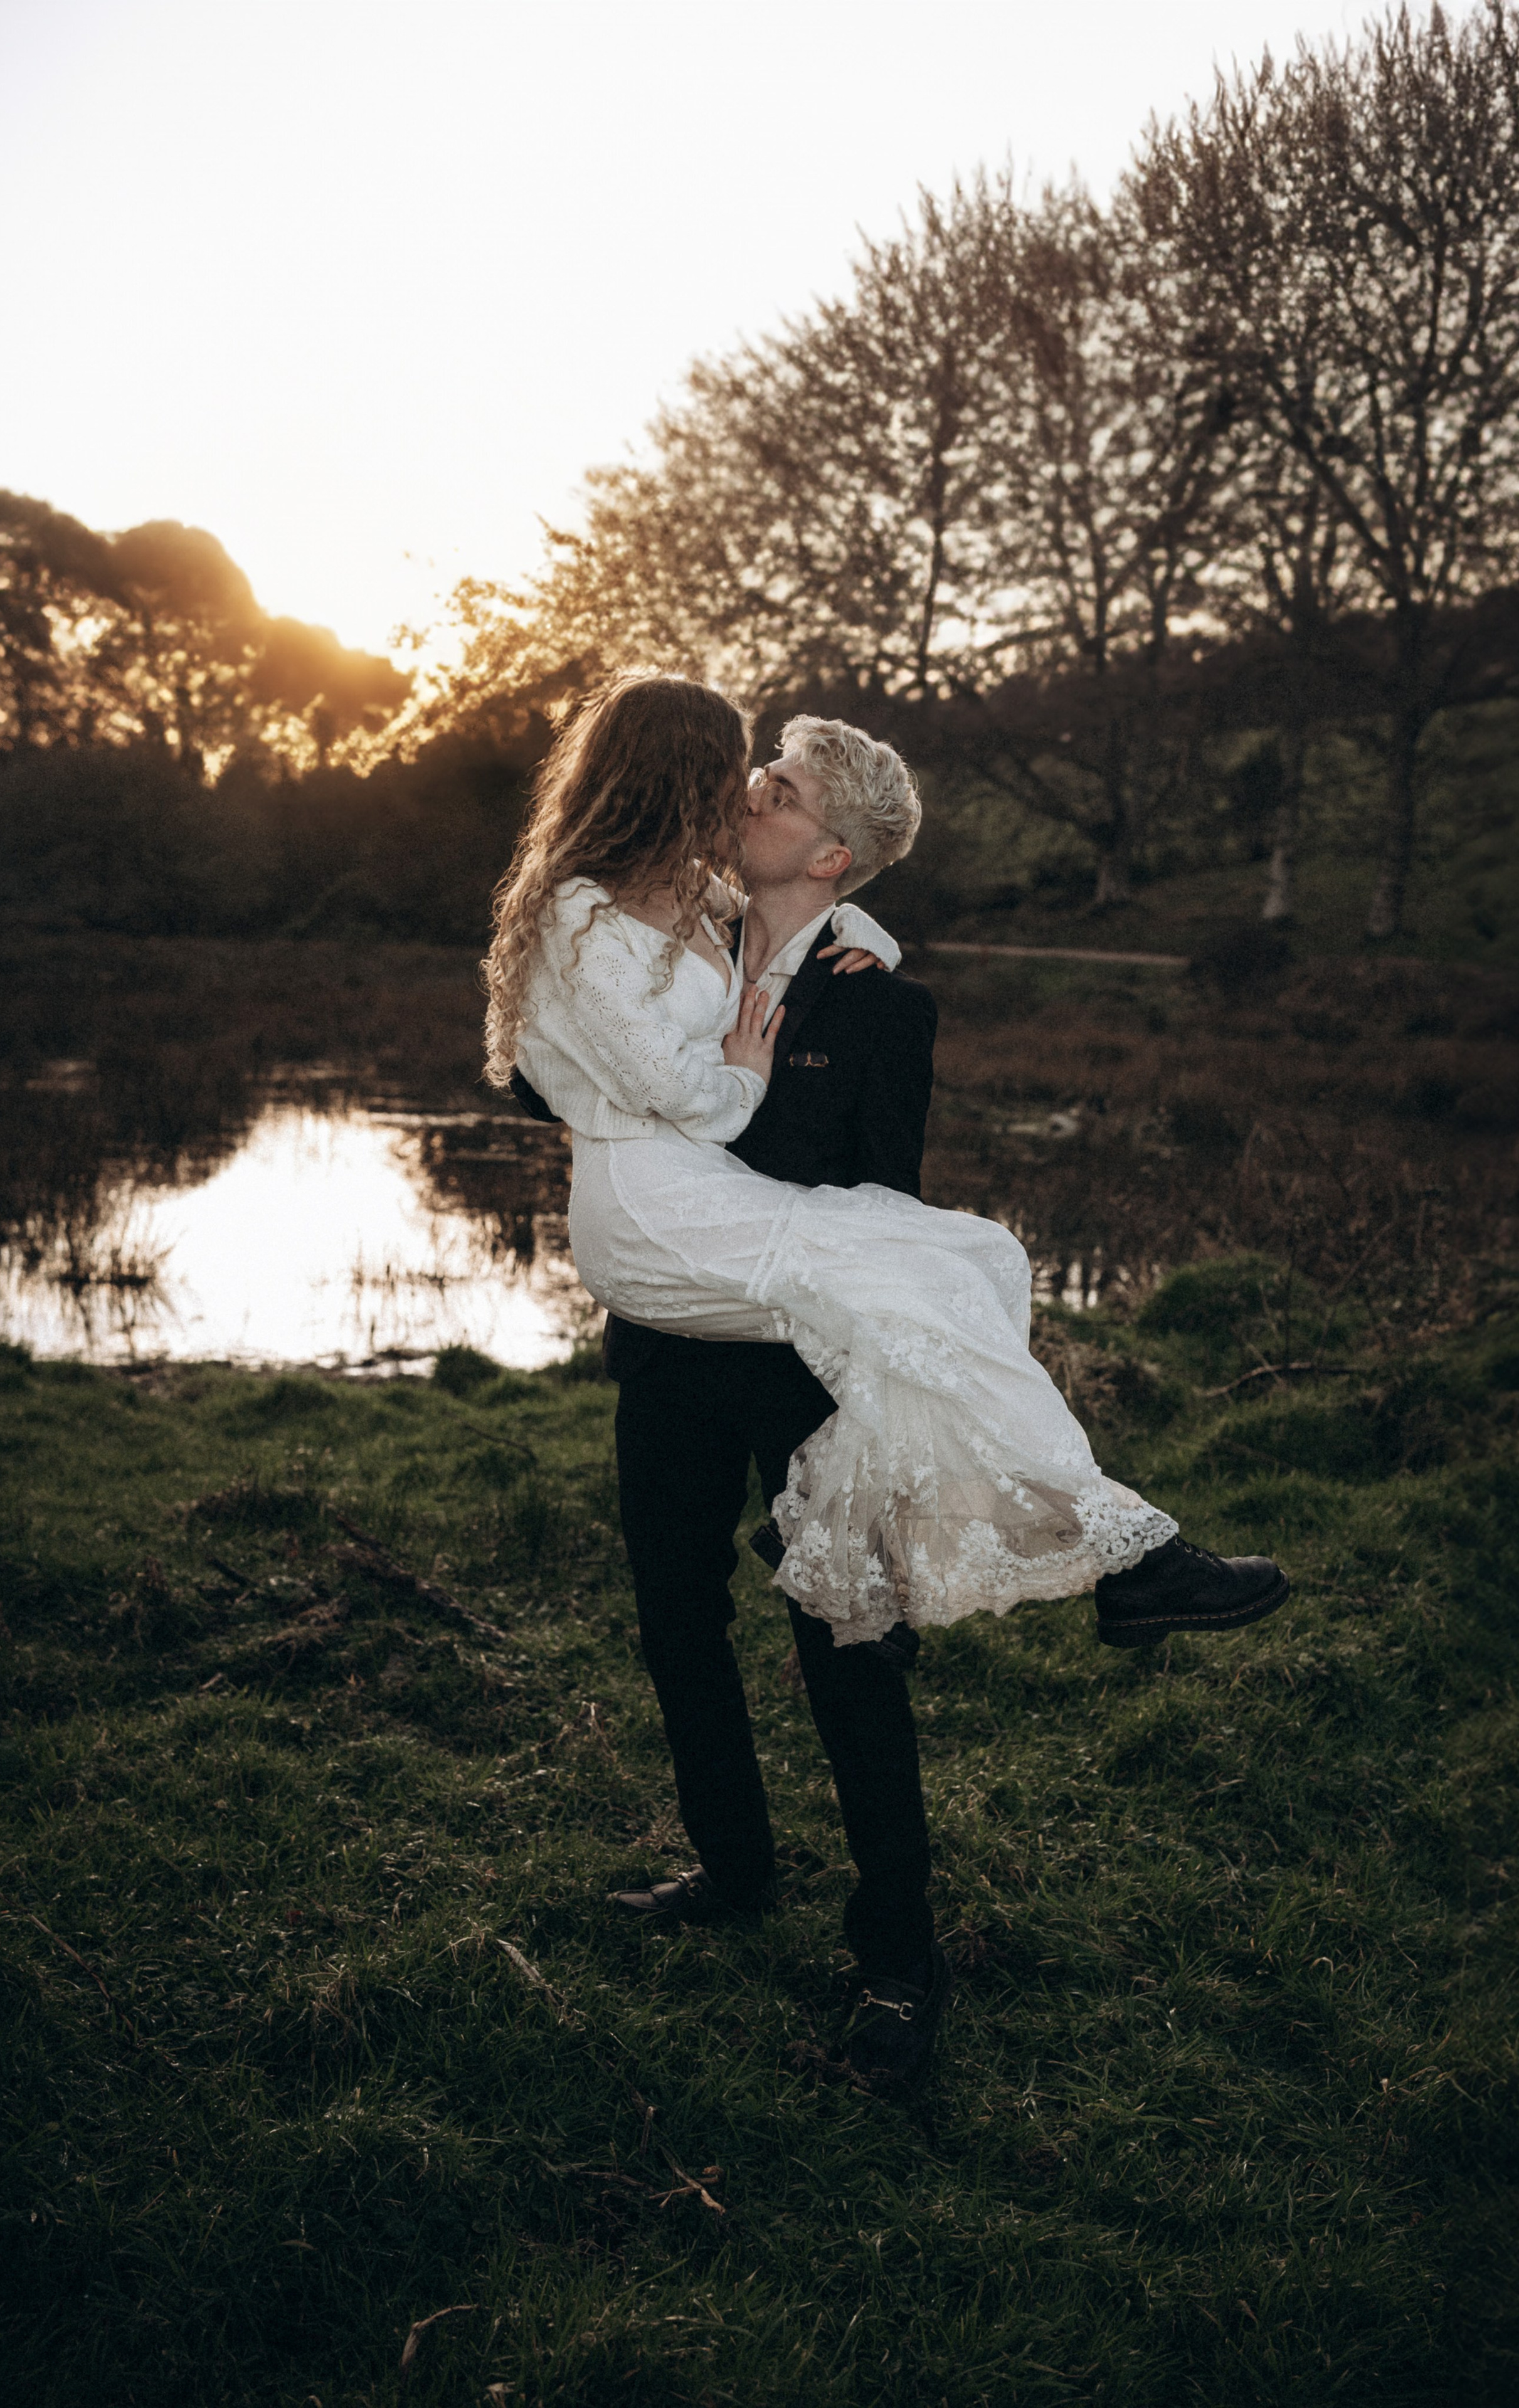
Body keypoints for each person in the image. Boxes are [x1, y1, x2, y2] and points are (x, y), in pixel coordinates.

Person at [488, 675, 1287, 2088]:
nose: (747, 796)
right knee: (677, 1627)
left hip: (801, 1357)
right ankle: (731, 1873)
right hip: (670, 1349)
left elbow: (871, 1192)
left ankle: (897, 1963)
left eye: (777, 790)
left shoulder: (881, 1004)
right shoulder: (675, 920)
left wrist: (797, 1008)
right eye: (749, 779)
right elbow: (549, 1053)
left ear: (833, 861)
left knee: (846, 1653)